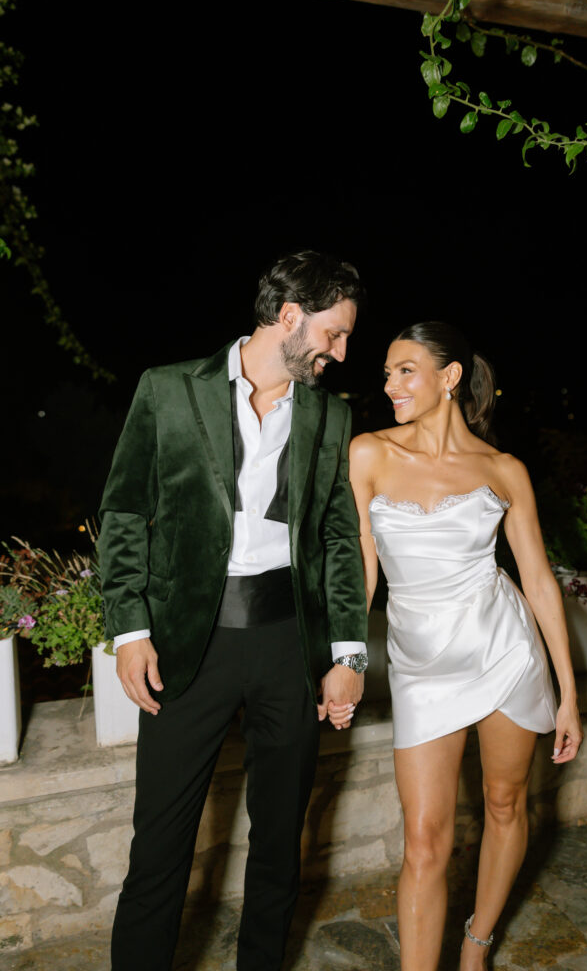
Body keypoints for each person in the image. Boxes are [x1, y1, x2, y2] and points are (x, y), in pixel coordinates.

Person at [98, 249, 369, 971]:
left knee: (279, 846)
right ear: (288, 317)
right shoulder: (166, 391)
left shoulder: (329, 415)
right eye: (333, 334)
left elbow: (340, 539)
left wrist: (347, 655)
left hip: (288, 644)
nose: (341, 353)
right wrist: (129, 631)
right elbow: (124, 514)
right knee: (158, 848)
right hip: (190, 649)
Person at [343, 321, 583, 971]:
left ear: (449, 378)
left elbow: (535, 578)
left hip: (502, 650)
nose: (388, 384)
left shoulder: (503, 470)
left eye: (405, 371)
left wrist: (566, 693)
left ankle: (477, 944)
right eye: (387, 371)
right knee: (423, 841)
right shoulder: (368, 453)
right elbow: (362, 571)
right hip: (421, 664)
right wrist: (345, 659)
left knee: (505, 803)